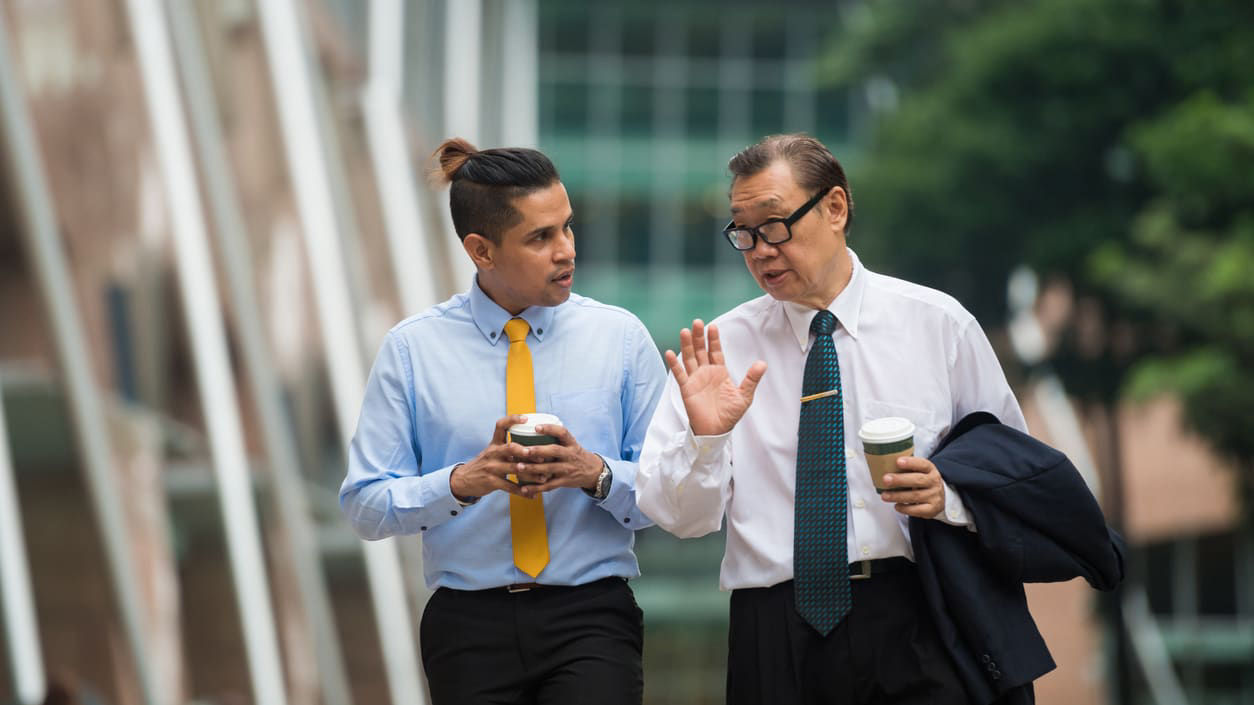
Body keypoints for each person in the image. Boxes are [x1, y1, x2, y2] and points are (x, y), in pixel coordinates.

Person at [636, 133, 1032, 704]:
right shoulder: (720, 352)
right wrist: (707, 436)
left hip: (920, 612)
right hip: (774, 629)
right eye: (742, 234)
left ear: (836, 208)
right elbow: (678, 518)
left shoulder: (938, 326)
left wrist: (949, 495)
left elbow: (1012, 475)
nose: (759, 250)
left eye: (774, 226)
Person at [340, 138, 665, 705]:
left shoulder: (620, 339)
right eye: (540, 237)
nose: (565, 250)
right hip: (467, 626)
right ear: (481, 251)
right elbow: (364, 505)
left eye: (567, 227)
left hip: (591, 615)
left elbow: (669, 493)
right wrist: (462, 482)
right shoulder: (413, 350)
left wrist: (594, 472)